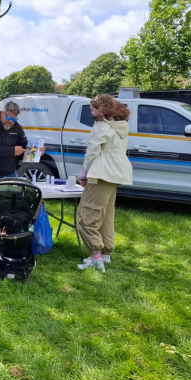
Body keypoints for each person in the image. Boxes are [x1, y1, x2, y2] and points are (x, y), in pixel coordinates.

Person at [76, 94, 133, 272]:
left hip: (101, 173)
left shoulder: (102, 126)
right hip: (116, 173)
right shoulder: (120, 125)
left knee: (86, 216)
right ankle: (106, 254)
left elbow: (93, 151)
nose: (91, 112)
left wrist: (84, 172)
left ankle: (96, 257)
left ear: (102, 109)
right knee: (106, 216)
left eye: (93, 109)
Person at [0, 101, 29, 184]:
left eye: (14, 119)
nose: (11, 122)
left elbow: (24, 146)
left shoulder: (17, 128)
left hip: (11, 172)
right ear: (2, 113)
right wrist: (13, 151)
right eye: (9, 118)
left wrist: (37, 151)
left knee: (17, 195)